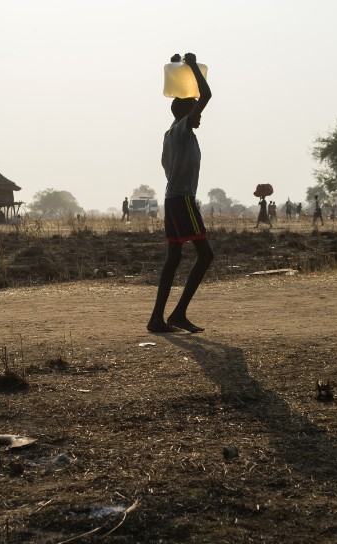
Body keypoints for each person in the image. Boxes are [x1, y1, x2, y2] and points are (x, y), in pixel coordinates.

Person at [147, 52, 213, 334]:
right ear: (188, 111)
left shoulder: (169, 134)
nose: (199, 116)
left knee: (174, 258)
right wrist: (193, 67)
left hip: (171, 198)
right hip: (183, 199)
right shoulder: (184, 130)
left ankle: (157, 319)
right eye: (194, 110)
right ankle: (179, 314)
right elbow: (207, 95)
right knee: (206, 255)